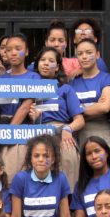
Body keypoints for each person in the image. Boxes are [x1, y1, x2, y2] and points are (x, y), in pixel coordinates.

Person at [28, 47, 84, 186]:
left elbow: (80, 120)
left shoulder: (65, 89)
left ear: (58, 67)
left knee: (68, 177)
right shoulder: (29, 89)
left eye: (51, 61)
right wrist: (34, 119)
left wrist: (68, 129)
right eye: (43, 60)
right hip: (38, 136)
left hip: (62, 135)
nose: (46, 63)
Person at [0, 34, 41, 177]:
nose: (13, 53)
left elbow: (26, 105)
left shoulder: (33, 77)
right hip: (2, 128)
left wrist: (10, 132)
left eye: (18, 49)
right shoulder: (0, 79)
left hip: (21, 128)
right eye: (9, 50)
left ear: (26, 51)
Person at [72, 38, 110, 149]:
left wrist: (78, 110)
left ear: (97, 55)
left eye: (89, 52)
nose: (84, 57)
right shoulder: (73, 82)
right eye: (80, 54)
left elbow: (105, 107)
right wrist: (95, 106)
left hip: (101, 131)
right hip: (78, 133)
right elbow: (68, 111)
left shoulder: (106, 78)